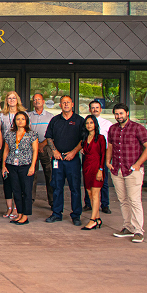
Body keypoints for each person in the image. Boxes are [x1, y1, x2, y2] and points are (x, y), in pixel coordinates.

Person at [107, 103, 147, 243]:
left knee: (134, 201)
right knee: (123, 200)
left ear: (127, 113)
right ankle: (127, 227)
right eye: (116, 114)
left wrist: (137, 164)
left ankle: (138, 230)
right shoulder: (113, 129)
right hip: (117, 169)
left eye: (121, 113)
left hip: (132, 170)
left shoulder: (138, 128)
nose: (118, 116)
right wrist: (108, 162)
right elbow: (110, 146)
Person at [45, 96, 85, 226]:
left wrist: (74, 152)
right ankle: (56, 213)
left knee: (75, 188)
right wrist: (55, 151)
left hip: (72, 160)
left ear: (72, 104)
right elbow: (49, 138)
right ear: (60, 105)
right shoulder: (55, 120)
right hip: (58, 159)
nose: (66, 104)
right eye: (63, 102)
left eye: (68, 102)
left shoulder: (79, 120)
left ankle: (76, 215)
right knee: (56, 187)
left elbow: (83, 140)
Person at [1, 111, 38, 225]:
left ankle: (25, 216)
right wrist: (3, 165)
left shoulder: (32, 134)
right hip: (12, 165)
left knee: (26, 191)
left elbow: (35, 151)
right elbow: (6, 150)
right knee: (16, 190)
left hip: (26, 165)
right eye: (18, 119)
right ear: (14, 121)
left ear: (26, 121)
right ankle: (19, 213)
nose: (20, 121)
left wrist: (33, 166)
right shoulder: (10, 134)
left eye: (22, 119)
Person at [0, 91, 26, 216]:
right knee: (7, 179)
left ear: (17, 99)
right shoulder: (2, 116)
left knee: (18, 180)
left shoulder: (23, 114)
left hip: (20, 149)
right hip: (5, 149)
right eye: (9, 98)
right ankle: (9, 207)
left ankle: (17, 208)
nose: (11, 100)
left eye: (14, 98)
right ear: (6, 101)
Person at [84, 100, 113, 214]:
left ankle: (105, 205)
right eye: (93, 107)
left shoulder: (107, 124)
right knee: (88, 181)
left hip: (101, 155)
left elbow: (110, 142)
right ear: (89, 109)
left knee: (103, 181)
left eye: (97, 107)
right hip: (88, 156)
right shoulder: (86, 122)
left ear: (100, 109)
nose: (95, 109)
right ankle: (88, 203)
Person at [28, 93, 54, 209]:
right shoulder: (28, 116)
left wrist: (42, 144)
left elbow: (53, 134)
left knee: (49, 175)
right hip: (31, 148)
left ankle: (53, 201)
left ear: (43, 101)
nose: (37, 101)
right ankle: (30, 199)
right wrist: (35, 145)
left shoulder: (50, 116)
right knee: (31, 174)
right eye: (34, 100)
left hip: (46, 148)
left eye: (39, 99)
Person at [81, 115, 106, 230]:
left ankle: (92, 220)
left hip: (97, 167)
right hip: (87, 167)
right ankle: (98, 218)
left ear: (95, 124)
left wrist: (101, 169)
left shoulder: (100, 138)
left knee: (96, 194)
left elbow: (103, 155)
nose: (89, 125)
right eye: (87, 123)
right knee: (90, 193)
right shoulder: (85, 138)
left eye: (91, 123)